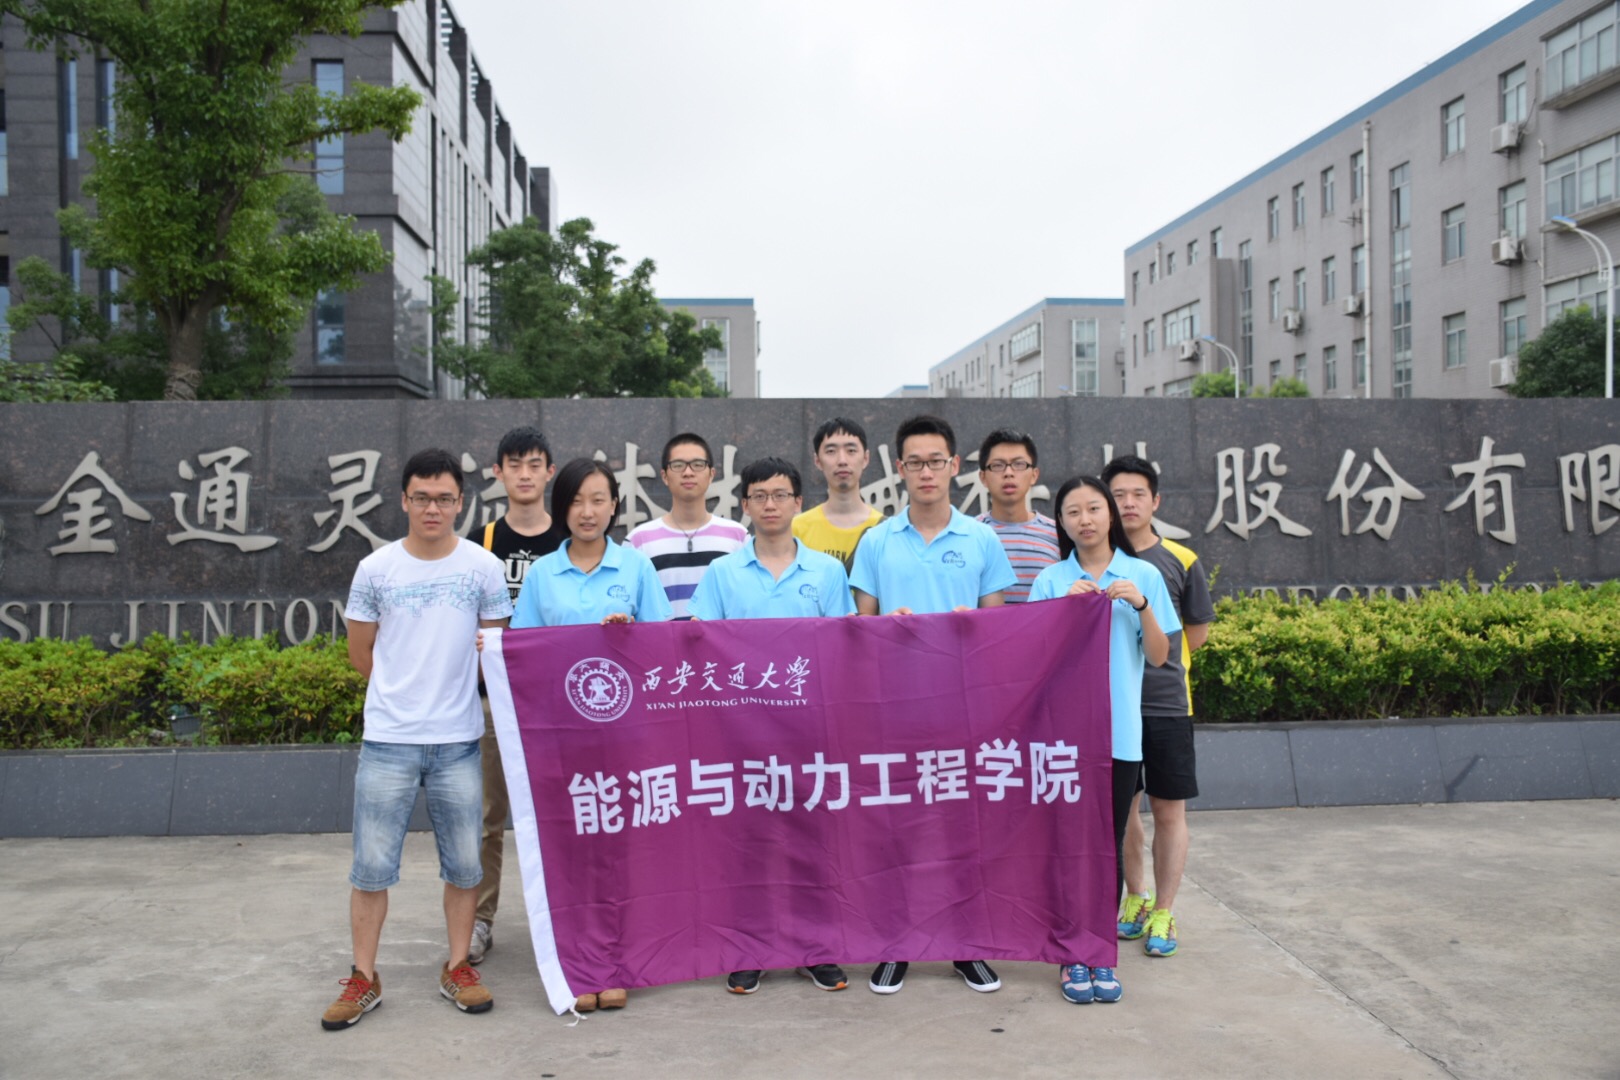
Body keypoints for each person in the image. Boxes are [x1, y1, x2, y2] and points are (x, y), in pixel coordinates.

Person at [321, 449, 512, 1031]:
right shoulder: (376, 569)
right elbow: (361, 652)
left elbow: (496, 651)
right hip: (389, 740)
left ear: (461, 502)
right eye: (423, 497)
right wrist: (402, 697)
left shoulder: (482, 568)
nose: (433, 508)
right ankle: (363, 977)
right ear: (404, 500)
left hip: (458, 740)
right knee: (371, 867)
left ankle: (458, 967)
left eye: (445, 498)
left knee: (464, 865)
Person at [848, 414, 1016, 996]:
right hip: (893, 710)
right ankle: (895, 943)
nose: (926, 472)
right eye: (915, 462)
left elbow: (998, 629)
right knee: (895, 834)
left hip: (963, 711)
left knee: (961, 832)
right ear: (899, 468)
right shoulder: (876, 541)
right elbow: (858, 629)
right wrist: (884, 628)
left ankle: (965, 945)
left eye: (936, 461)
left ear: (955, 466)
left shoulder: (981, 539)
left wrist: (973, 628)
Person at [688, 457, 856, 997]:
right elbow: (700, 644)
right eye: (759, 496)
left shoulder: (827, 573)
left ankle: (816, 948)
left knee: (813, 840)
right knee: (749, 844)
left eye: (780, 495)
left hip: (810, 731)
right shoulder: (722, 573)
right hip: (742, 732)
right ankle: (750, 949)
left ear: (798, 503)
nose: (770, 505)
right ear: (744, 506)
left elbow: (843, 650)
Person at [510, 458, 673, 1013]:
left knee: (622, 850)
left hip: (624, 737)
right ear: (562, 508)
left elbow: (662, 649)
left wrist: (631, 637)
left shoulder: (636, 568)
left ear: (614, 506)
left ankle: (617, 962)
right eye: (577, 501)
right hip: (562, 738)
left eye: (599, 499)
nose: (588, 511)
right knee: (571, 850)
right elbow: (524, 654)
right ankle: (578, 964)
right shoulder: (542, 575)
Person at [1030, 476, 1179, 1006]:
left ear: (1110, 514)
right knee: (1067, 844)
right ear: (1062, 522)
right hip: (1063, 740)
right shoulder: (1051, 580)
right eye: (1073, 511)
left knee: (1107, 844)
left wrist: (1141, 606)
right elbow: (1034, 663)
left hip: (1120, 736)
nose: (1085, 519)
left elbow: (1159, 656)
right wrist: (1062, 614)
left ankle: (1097, 951)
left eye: (1094, 508)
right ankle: (1071, 950)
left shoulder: (1142, 575)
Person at [1103, 455, 1215, 960]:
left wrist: (1158, 662)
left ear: (1155, 501)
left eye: (1138, 495)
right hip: (1113, 707)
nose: (1128, 503)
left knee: (1169, 809)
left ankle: (1165, 910)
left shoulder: (1180, 559)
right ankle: (1136, 897)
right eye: (1118, 495)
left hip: (1166, 703)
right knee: (1124, 810)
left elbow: (1196, 632)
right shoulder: (1097, 558)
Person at [469, 427, 566, 967]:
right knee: (487, 817)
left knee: (563, 814)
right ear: (498, 472)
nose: (525, 474)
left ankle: (566, 918)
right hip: (492, 702)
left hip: (556, 705)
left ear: (550, 472)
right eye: (514, 464)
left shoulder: (569, 540)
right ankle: (480, 920)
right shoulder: (480, 543)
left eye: (534, 465)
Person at [625, 432, 748, 619]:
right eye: (678, 465)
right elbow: (627, 604)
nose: (688, 472)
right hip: (659, 639)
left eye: (698, 465)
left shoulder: (738, 537)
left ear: (711, 474)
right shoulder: (638, 541)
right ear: (664, 476)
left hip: (718, 639)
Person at [974, 428, 1059, 603]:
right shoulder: (971, 534)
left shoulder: (1057, 534)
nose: (1009, 473)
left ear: (1034, 475)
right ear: (983, 477)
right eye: (998, 465)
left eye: (1019, 464)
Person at [792, 416, 885, 571]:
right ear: (817, 461)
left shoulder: (885, 530)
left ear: (865, 458)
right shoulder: (797, 529)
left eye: (851, 451)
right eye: (831, 451)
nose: (842, 460)